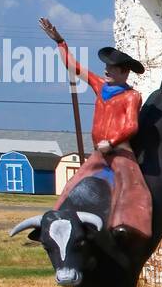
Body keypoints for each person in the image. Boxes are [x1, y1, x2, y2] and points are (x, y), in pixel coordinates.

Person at [39, 17, 152, 242]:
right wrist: (60, 42)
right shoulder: (100, 86)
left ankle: (127, 226)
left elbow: (131, 125)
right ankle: (56, 220)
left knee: (130, 187)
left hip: (119, 152)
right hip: (100, 153)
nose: (106, 71)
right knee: (74, 181)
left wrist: (112, 142)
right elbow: (74, 67)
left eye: (111, 68)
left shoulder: (132, 96)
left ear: (123, 72)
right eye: (107, 67)